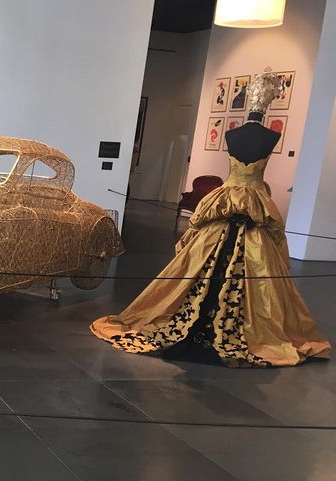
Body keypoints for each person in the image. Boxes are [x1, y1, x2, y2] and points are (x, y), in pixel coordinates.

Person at [91, 70, 330, 367]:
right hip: (247, 199)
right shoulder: (261, 136)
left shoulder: (245, 134)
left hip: (230, 200)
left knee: (212, 257)